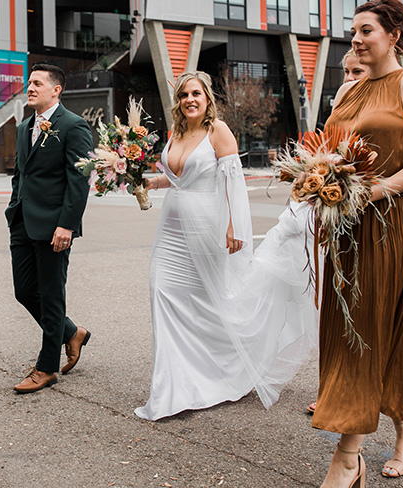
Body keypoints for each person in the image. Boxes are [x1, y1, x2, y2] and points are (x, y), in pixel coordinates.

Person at [134, 70, 317, 421]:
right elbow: (176, 179)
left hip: (207, 227)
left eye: (196, 94)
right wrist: (146, 182)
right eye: (184, 94)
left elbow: (232, 182)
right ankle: (170, 387)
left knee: (212, 304)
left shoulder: (217, 131)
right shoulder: (177, 132)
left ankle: (227, 369)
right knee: (161, 292)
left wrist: (235, 229)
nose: (189, 99)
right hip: (171, 232)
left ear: (207, 100)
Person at [314, 0, 403, 487]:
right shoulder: (348, 91)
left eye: (366, 30)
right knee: (373, 325)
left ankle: (348, 458)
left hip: (389, 220)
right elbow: (327, 151)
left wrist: (368, 193)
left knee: (362, 328)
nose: (357, 39)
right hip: (343, 225)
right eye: (353, 32)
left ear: (394, 34)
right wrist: (315, 181)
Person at [5, 63, 93, 394]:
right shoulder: (24, 125)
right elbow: (20, 172)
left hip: (55, 226)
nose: (30, 87)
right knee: (24, 290)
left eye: (37, 83)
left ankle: (46, 367)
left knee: (52, 294)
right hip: (22, 221)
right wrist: (15, 204)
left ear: (56, 89)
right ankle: (72, 333)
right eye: (29, 82)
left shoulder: (73, 125)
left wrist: (67, 225)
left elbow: (80, 179)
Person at [307, 49, 370, 415]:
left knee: (356, 308)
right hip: (332, 212)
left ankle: (353, 392)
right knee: (333, 306)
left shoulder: (376, 105)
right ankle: (330, 386)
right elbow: (323, 152)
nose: (350, 76)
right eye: (345, 71)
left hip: (364, 212)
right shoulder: (339, 106)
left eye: (357, 70)